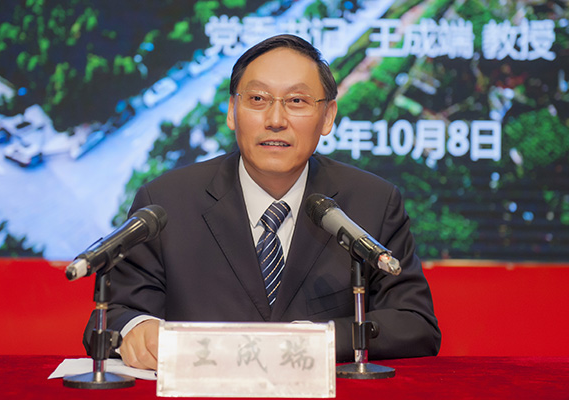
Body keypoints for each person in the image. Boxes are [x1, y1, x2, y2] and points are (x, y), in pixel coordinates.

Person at [83, 34, 441, 370]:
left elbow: (414, 324)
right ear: (231, 111)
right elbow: (112, 315)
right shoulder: (166, 202)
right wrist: (136, 328)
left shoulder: (372, 202)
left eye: (296, 101)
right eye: (257, 99)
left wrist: (320, 339)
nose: (275, 120)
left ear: (328, 116)